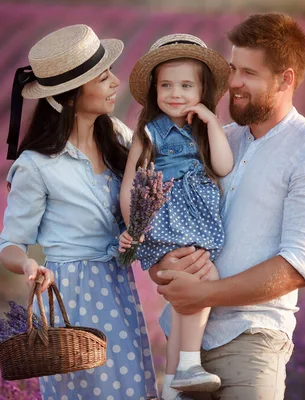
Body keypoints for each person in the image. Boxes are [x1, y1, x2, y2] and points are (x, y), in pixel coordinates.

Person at [151, 13, 305, 400]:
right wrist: (164, 267)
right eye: (233, 69)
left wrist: (205, 293)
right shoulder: (218, 138)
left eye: (249, 74)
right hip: (184, 336)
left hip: (252, 341)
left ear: (285, 79)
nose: (234, 84)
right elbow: (169, 215)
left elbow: (295, 266)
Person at [0, 24, 157, 400]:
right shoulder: (35, 165)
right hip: (72, 296)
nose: (116, 82)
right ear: (70, 97)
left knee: (130, 389)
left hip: (116, 285)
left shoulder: (116, 134)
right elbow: (13, 243)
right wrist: (30, 266)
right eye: (103, 78)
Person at [118, 34, 232, 400]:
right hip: (165, 223)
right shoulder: (150, 132)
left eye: (186, 85)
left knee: (189, 289)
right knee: (203, 280)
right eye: (166, 85)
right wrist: (134, 229)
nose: (175, 93)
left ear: (202, 90)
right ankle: (188, 364)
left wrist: (212, 122)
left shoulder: (203, 131)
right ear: (154, 90)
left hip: (195, 224)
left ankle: (171, 384)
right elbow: (129, 184)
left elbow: (223, 166)